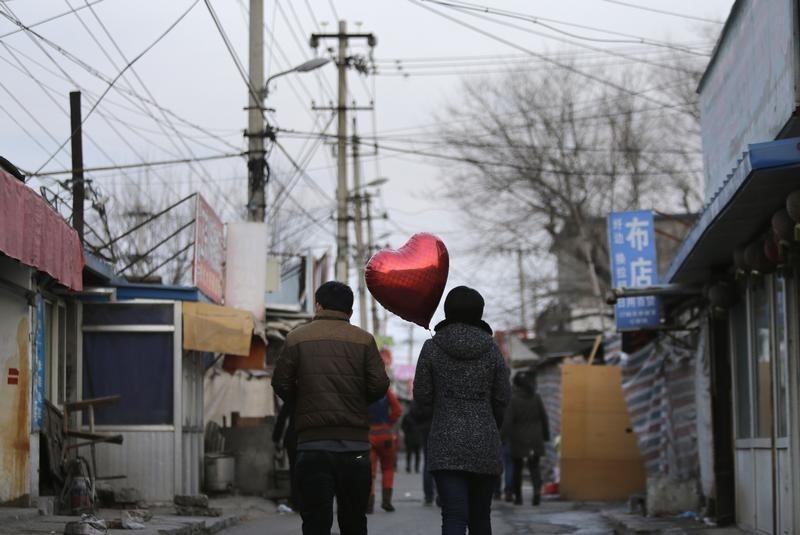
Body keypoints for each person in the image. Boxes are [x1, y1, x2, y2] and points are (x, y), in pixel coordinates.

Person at [272, 281, 390, 535]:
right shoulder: (364, 340)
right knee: (354, 521)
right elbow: (380, 384)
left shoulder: (296, 338)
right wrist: (358, 402)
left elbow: (280, 382)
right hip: (356, 449)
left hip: (312, 448)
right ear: (350, 311)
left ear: (318, 305)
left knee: (315, 522)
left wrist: (303, 401)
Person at [413, 286, 511, 535]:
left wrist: (437, 409)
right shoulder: (492, 350)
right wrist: (490, 424)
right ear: (479, 313)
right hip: (485, 441)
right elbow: (502, 397)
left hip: (445, 442)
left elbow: (422, 396)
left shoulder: (432, 348)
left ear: (447, 311)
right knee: (480, 517)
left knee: (454, 515)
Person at [502, 370, 550, 506]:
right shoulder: (536, 398)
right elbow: (544, 418)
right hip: (535, 439)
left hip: (518, 440)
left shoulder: (513, 400)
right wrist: (545, 436)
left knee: (517, 468)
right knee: (534, 467)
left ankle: (518, 497)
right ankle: (536, 492)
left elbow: (508, 421)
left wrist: (501, 437)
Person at [367, 387, 402, 513]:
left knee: (369, 471)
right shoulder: (386, 391)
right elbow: (397, 410)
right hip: (385, 434)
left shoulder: (363, 389)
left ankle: (369, 503)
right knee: (388, 468)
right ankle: (386, 501)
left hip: (368, 434)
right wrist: (389, 423)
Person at [272, 398, 298, 510]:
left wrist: (276, 438)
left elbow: (282, 418)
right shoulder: (313, 397)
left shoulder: (292, 398)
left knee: (294, 471)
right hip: (309, 438)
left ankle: (297, 502)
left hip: (293, 439)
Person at [401, 410, 422, 474]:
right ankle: (409, 467)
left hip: (417, 437)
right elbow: (403, 426)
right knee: (410, 453)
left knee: (416, 454)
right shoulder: (408, 416)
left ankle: (416, 467)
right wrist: (406, 431)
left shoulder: (419, 416)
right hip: (411, 437)